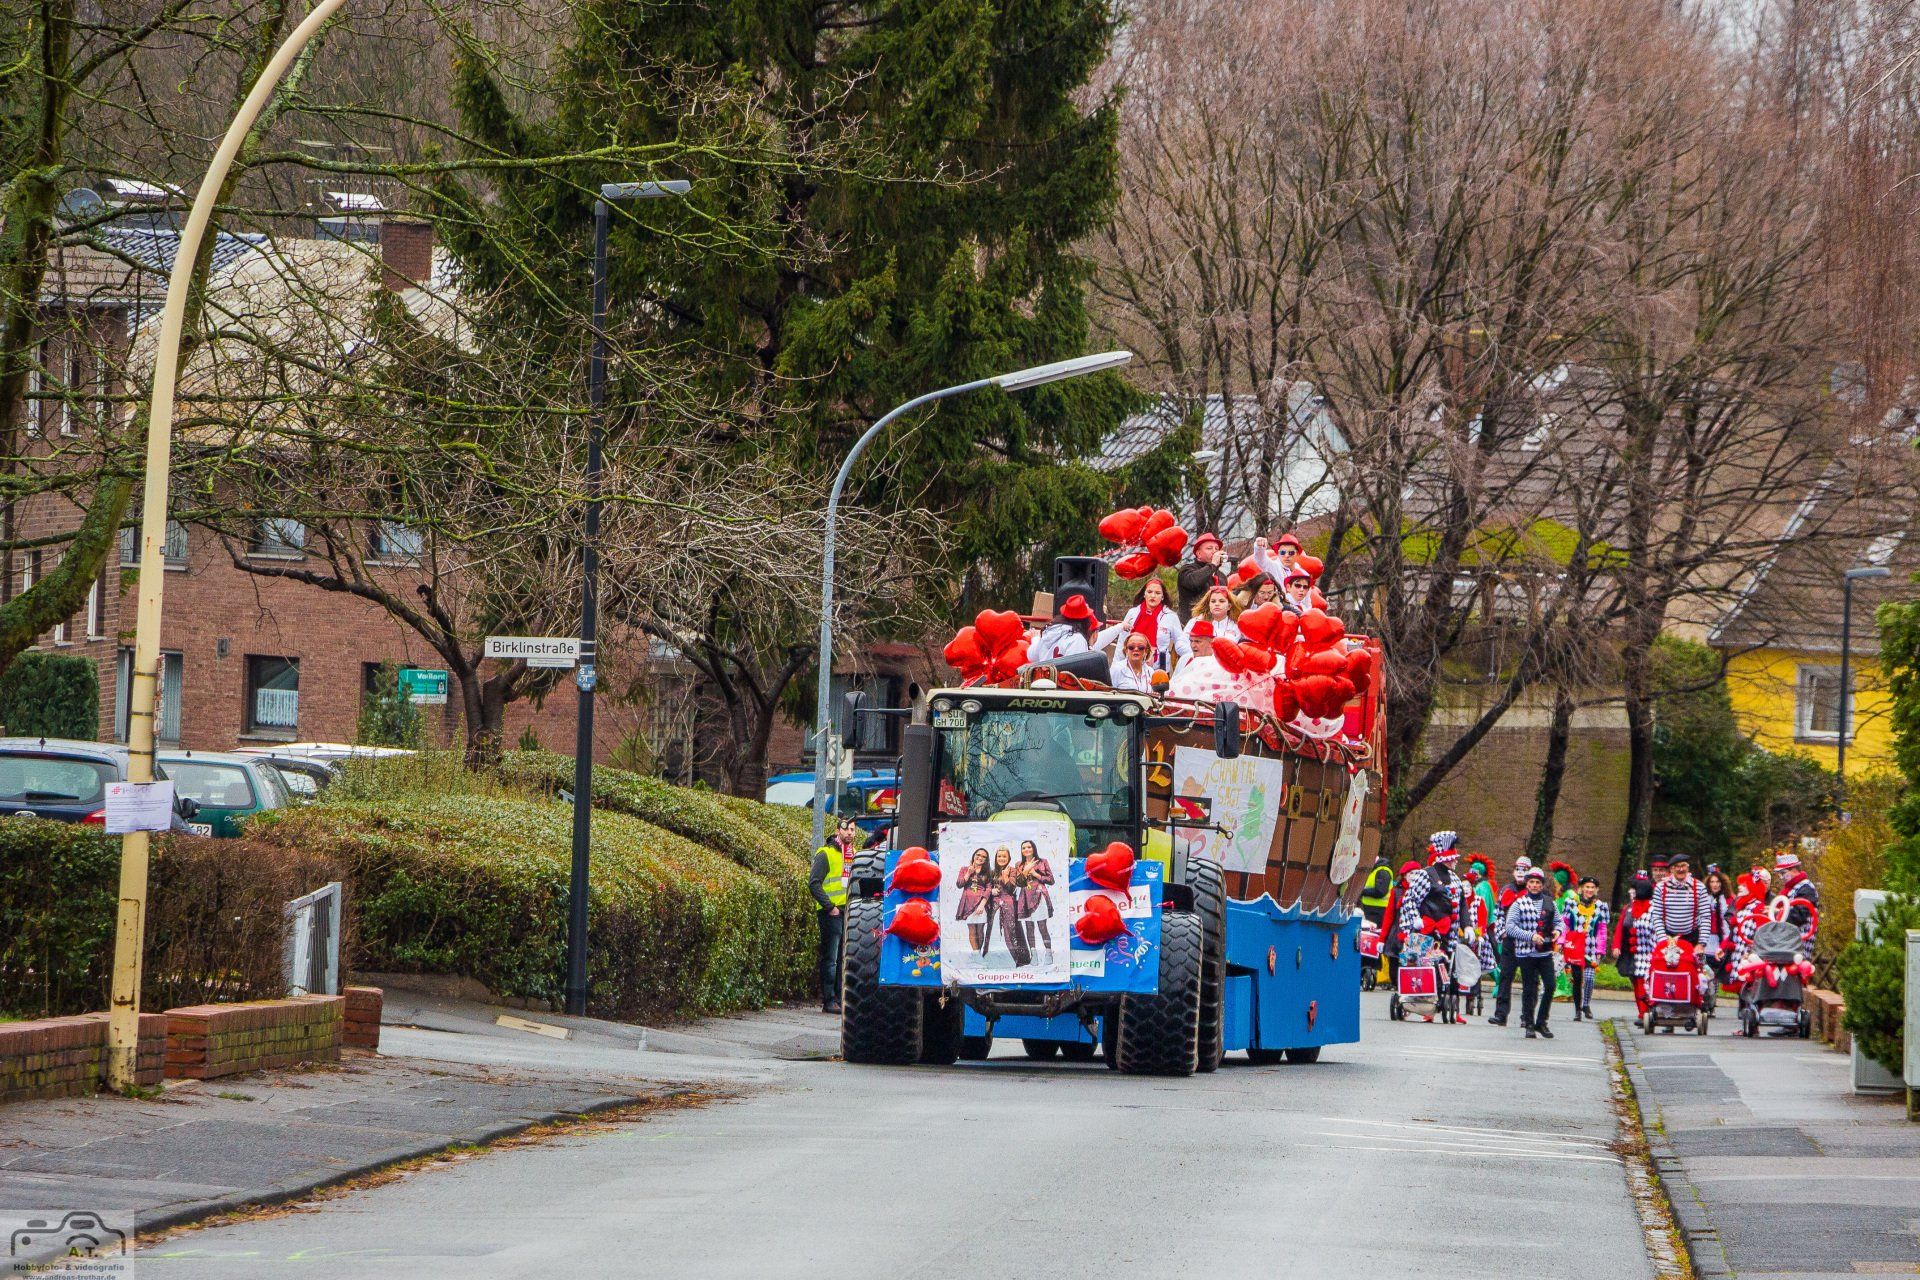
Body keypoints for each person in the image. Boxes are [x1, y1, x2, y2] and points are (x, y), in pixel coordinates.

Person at [808, 817, 859, 1012]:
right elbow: (814, 883)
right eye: (846, 829)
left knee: (844, 957)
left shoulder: (855, 854)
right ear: (838, 831)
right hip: (831, 912)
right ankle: (829, 999)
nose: (849, 833)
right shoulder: (826, 853)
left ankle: (839, 997)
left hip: (849, 912)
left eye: (852, 829)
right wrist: (830, 906)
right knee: (831, 958)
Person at [1502, 865, 1560, 1038]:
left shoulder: (1550, 903)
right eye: (1532, 882)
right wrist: (1530, 936)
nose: (1534, 885)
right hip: (1525, 953)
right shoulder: (1518, 904)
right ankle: (1528, 1023)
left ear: (1542, 885)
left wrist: (1558, 931)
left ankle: (1541, 1022)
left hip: (1545, 952)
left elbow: (1559, 922)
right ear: (1527, 884)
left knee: (1550, 985)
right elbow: (1510, 927)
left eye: (1537, 882)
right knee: (1529, 988)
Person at [1095, 578, 1191, 670]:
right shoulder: (1132, 613)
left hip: (1158, 669)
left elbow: (1180, 641)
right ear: (1144, 594)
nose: (1153, 596)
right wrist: (1116, 666)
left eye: (1157, 593)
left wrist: (1192, 656)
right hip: (1130, 667)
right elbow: (1122, 642)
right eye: (1149, 592)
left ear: (1162, 596)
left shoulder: (1170, 616)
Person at [1489, 856, 1533, 1026]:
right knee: (1505, 976)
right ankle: (1501, 1014)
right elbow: (1498, 914)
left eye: (1524, 870)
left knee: (1529, 979)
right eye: (1517, 870)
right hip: (1509, 940)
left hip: (1528, 942)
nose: (1520, 873)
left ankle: (1527, 1017)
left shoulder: (1535, 892)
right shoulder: (1506, 889)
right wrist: (1502, 933)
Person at [1561, 877, 1610, 1021]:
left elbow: (1602, 930)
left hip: (1591, 947)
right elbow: (1565, 925)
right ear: (1582, 888)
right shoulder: (1570, 903)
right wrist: (1562, 942)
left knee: (1589, 978)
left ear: (1596, 890)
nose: (1589, 890)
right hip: (1575, 946)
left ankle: (1586, 1004)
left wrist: (1600, 950)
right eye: (1587, 887)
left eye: (1592, 887)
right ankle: (1577, 1010)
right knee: (1576, 979)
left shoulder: (1601, 906)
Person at [1616, 872, 1655, 1016]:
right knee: (1638, 981)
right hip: (1636, 950)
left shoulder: (1654, 908)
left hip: (1650, 950)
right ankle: (1642, 1011)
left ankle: (1647, 1011)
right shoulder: (1631, 907)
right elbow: (1622, 926)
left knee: (1647, 982)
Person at [1016, 839, 1056, 965]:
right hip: (1025, 898)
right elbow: (1019, 883)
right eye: (1024, 848)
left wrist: (1035, 874)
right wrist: (1025, 871)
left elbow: (1051, 880)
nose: (1026, 849)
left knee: (1042, 926)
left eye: (1029, 847)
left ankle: (1048, 953)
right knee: (1029, 927)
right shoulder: (1019, 864)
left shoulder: (1042, 862)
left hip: (1039, 896)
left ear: (1033, 848)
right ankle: (1034, 955)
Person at [1029, 592, 1098, 663]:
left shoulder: (1050, 632)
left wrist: (1035, 639)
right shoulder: (1077, 639)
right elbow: (1076, 668)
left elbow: (1031, 655)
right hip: (1059, 671)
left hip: (1046, 670)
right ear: (1085, 621)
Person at [1177, 531, 1233, 617]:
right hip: (1192, 621)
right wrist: (1213, 564)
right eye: (1209, 548)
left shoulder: (1221, 576)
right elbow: (1194, 582)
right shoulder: (1187, 570)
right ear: (1198, 554)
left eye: (1216, 549)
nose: (1214, 552)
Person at [1775, 850, 1821, 944]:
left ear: (1794, 870)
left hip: (1798, 942)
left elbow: (1800, 916)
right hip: (1790, 941)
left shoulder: (1806, 888)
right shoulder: (1794, 888)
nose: (1781, 877)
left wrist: (1778, 912)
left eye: (1783, 873)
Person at [954, 848, 993, 954]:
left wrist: (982, 904)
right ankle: (976, 955)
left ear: (986, 860)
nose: (980, 857)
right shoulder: (964, 869)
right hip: (968, 904)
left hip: (981, 904)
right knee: (972, 930)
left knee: (980, 930)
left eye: (984, 856)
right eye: (978, 855)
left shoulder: (988, 872)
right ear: (974, 855)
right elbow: (959, 884)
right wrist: (968, 873)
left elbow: (989, 889)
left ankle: (978, 954)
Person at [1358, 855, 1394, 930]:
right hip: (1371, 909)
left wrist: (1361, 891)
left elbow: (1380, 891)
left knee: (1375, 932)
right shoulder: (1374, 871)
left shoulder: (1382, 871)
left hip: (1379, 911)